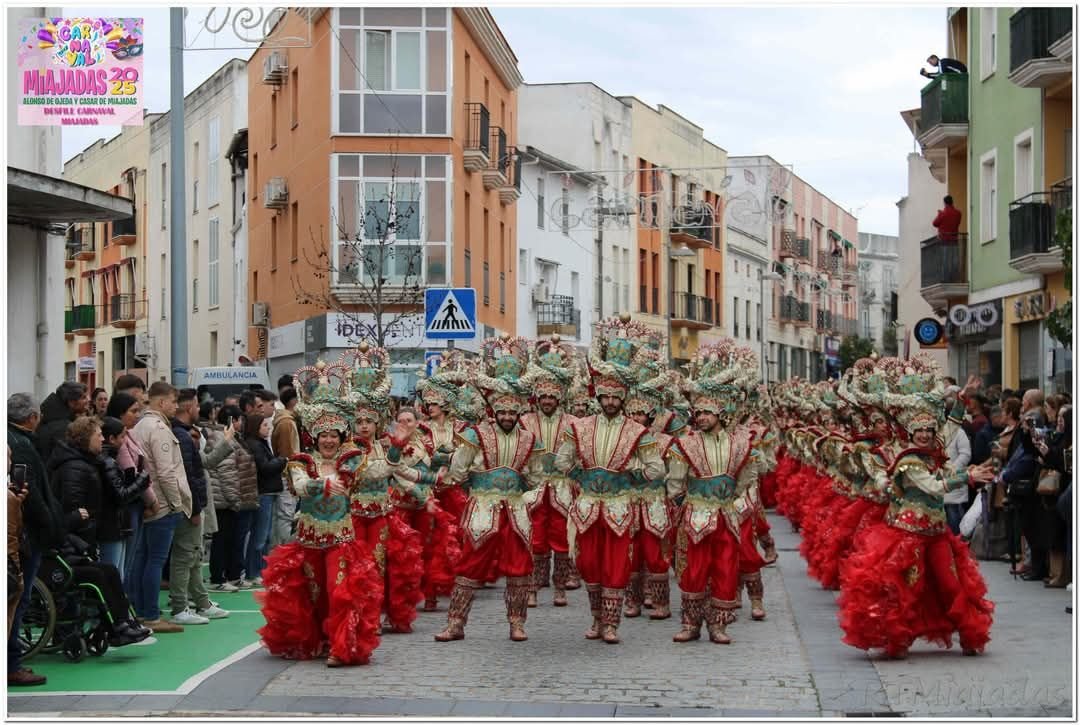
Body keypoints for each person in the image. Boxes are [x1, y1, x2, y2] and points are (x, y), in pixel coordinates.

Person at [838, 360, 995, 659]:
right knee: (906, 588)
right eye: (918, 430)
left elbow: (950, 429)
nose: (924, 434)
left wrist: (962, 399)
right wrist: (967, 476)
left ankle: (969, 633)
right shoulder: (908, 462)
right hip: (907, 535)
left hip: (936, 533)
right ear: (909, 433)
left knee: (950, 584)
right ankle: (898, 639)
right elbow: (933, 486)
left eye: (928, 430)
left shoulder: (933, 452)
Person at [256, 359, 385, 667]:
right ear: (314, 436)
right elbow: (301, 487)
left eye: (334, 435)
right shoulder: (302, 461)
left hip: (340, 538)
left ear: (341, 437)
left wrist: (393, 456)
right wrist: (324, 484)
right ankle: (319, 639)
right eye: (323, 435)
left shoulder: (352, 460)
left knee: (338, 590)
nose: (328, 440)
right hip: (309, 539)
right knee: (314, 594)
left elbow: (371, 474)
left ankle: (340, 647)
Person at [555, 316, 667, 645]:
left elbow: (657, 468)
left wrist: (631, 475)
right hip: (588, 505)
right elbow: (561, 460)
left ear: (624, 398)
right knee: (588, 563)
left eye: (616, 397)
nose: (610, 402)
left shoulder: (637, 432)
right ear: (598, 396)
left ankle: (611, 623)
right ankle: (595, 617)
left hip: (619, 505)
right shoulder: (580, 427)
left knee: (617, 565)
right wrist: (580, 474)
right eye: (605, 396)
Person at [435, 336, 544, 643]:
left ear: (519, 412)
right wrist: (450, 479)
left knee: (519, 567)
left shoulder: (529, 439)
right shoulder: (475, 435)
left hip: (515, 509)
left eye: (512, 412)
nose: (507, 417)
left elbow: (536, 477)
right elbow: (458, 470)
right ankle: (456, 623)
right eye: (502, 411)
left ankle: (517, 622)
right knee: (471, 564)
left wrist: (526, 495)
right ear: (493, 410)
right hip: (483, 508)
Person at [665, 342, 765, 645]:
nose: (701, 418)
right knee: (693, 570)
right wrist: (684, 505)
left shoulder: (740, 444)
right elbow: (675, 483)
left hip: (726, 514)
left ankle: (719, 625)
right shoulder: (686, 444)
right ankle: (690, 623)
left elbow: (747, 478)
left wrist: (731, 501)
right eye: (698, 413)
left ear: (720, 413)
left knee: (725, 568)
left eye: (707, 413)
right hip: (695, 514)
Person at [47, 417, 152, 648]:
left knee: (110, 571)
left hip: (77, 542)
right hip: (69, 546)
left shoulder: (85, 463)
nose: (102, 439)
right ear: (86, 438)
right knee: (99, 574)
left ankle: (122, 623)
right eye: (98, 435)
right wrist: (79, 520)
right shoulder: (74, 468)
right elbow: (71, 510)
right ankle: (116, 626)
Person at [518, 335, 579, 610]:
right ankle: (532, 588)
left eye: (551, 396)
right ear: (536, 397)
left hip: (563, 487)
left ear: (559, 397)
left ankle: (560, 587)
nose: (547, 400)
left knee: (562, 539)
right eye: (542, 396)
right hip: (535, 488)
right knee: (535, 539)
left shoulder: (573, 422)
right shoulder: (524, 421)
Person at [7, 394, 64, 686]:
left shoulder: (17, 441)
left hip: (18, 533)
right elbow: (32, 499)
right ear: (31, 418)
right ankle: (11, 664)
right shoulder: (21, 445)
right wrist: (52, 526)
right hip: (22, 537)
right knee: (16, 599)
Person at [129, 382, 192, 634]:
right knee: (155, 560)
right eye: (173, 401)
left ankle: (139, 610)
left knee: (142, 559)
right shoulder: (159, 429)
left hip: (146, 500)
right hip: (162, 504)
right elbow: (166, 472)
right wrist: (176, 504)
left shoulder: (138, 426)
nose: (177, 406)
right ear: (161, 402)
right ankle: (151, 615)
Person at [169, 389, 229, 625]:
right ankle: (180, 606)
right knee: (185, 556)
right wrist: (194, 508)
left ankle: (201, 602)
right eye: (195, 405)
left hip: (193, 503)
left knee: (194, 555)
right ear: (188, 407)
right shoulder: (182, 436)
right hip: (188, 505)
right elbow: (188, 475)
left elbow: (200, 466)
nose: (198, 410)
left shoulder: (186, 434)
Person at [106, 393, 155, 583]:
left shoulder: (130, 435)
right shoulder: (121, 442)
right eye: (133, 411)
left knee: (130, 559)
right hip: (130, 502)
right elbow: (132, 471)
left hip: (136, 500)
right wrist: (152, 501)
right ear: (120, 413)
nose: (137, 415)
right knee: (124, 563)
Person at [204, 406, 254, 592]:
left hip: (228, 498)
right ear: (232, 420)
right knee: (221, 540)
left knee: (230, 539)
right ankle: (217, 577)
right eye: (239, 419)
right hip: (223, 499)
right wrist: (234, 498)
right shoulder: (221, 438)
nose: (241, 423)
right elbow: (226, 471)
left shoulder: (233, 438)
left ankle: (231, 575)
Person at [98, 417, 152, 571]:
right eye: (122, 437)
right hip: (112, 524)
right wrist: (142, 480)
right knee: (116, 571)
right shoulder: (108, 462)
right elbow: (121, 495)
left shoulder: (110, 459)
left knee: (120, 569)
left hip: (116, 522)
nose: (124, 441)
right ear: (111, 438)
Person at [243, 414, 287, 586]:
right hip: (264, 493)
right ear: (256, 427)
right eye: (264, 425)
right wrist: (282, 461)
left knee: (265, 535)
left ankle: (260, 570)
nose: (268, 428)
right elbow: (265, 467)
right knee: (260, 536)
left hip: (268, 492)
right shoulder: (255, 445)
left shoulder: (261, 443)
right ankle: (253, 572)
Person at [1036, 405, 1071, 588]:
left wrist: (1049, 454)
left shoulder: (1068, 439)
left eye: (1063, 418)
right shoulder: (1058, 437)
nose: (1059, 421)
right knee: (1056, 535)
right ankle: (1057, 573)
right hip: (1057, 492)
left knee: (1062, 535)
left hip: (1063, 489)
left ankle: (1063, 575)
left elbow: (1061, 463)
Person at [270, 387, 301, 547]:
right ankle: (284, 550)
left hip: (288, 474)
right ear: (294, 401)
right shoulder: (286, 423)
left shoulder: (288, 420)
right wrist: (291, 477)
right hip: (287, 475)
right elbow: (287, 453)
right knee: (286, 515)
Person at [35, 381, 90, 462]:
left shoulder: (51, 415)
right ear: (71, 402)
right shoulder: (63, 427)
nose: (88, 400)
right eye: (84, 397)